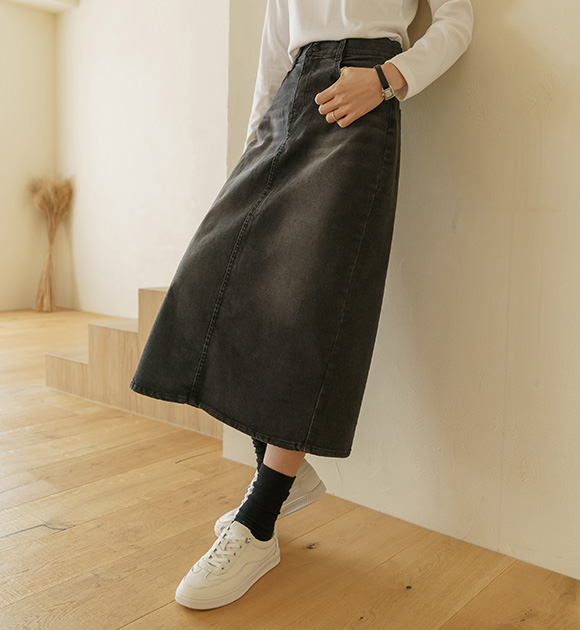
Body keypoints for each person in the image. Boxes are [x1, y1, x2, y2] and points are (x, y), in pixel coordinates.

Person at [130, 0, 474, 610]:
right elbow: (273, 50)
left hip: (358, 98)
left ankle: (259, 521)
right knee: (217, 278)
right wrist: (253, 145)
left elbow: (456, 20)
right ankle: (287, 478)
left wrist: (388, 78)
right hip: (287, 100)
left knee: (308, 302)